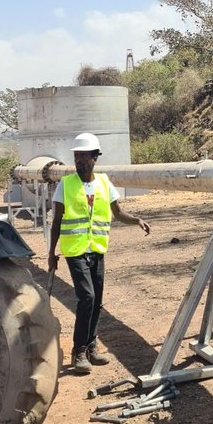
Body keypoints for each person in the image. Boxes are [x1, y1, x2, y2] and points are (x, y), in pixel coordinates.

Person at [47, 132, 151, 375]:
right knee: (87, 298)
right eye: (77, 156)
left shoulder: (104, 183)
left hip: (96, 250)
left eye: (84, 156)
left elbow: (118, 213)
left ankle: (92, 347)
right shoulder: (66, 185)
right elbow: (56, 222)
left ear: (95, 158)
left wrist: (136, 220)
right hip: (74, 252)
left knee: (97, 302)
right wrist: (51, 253)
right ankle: (79, 351)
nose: (80, 160)